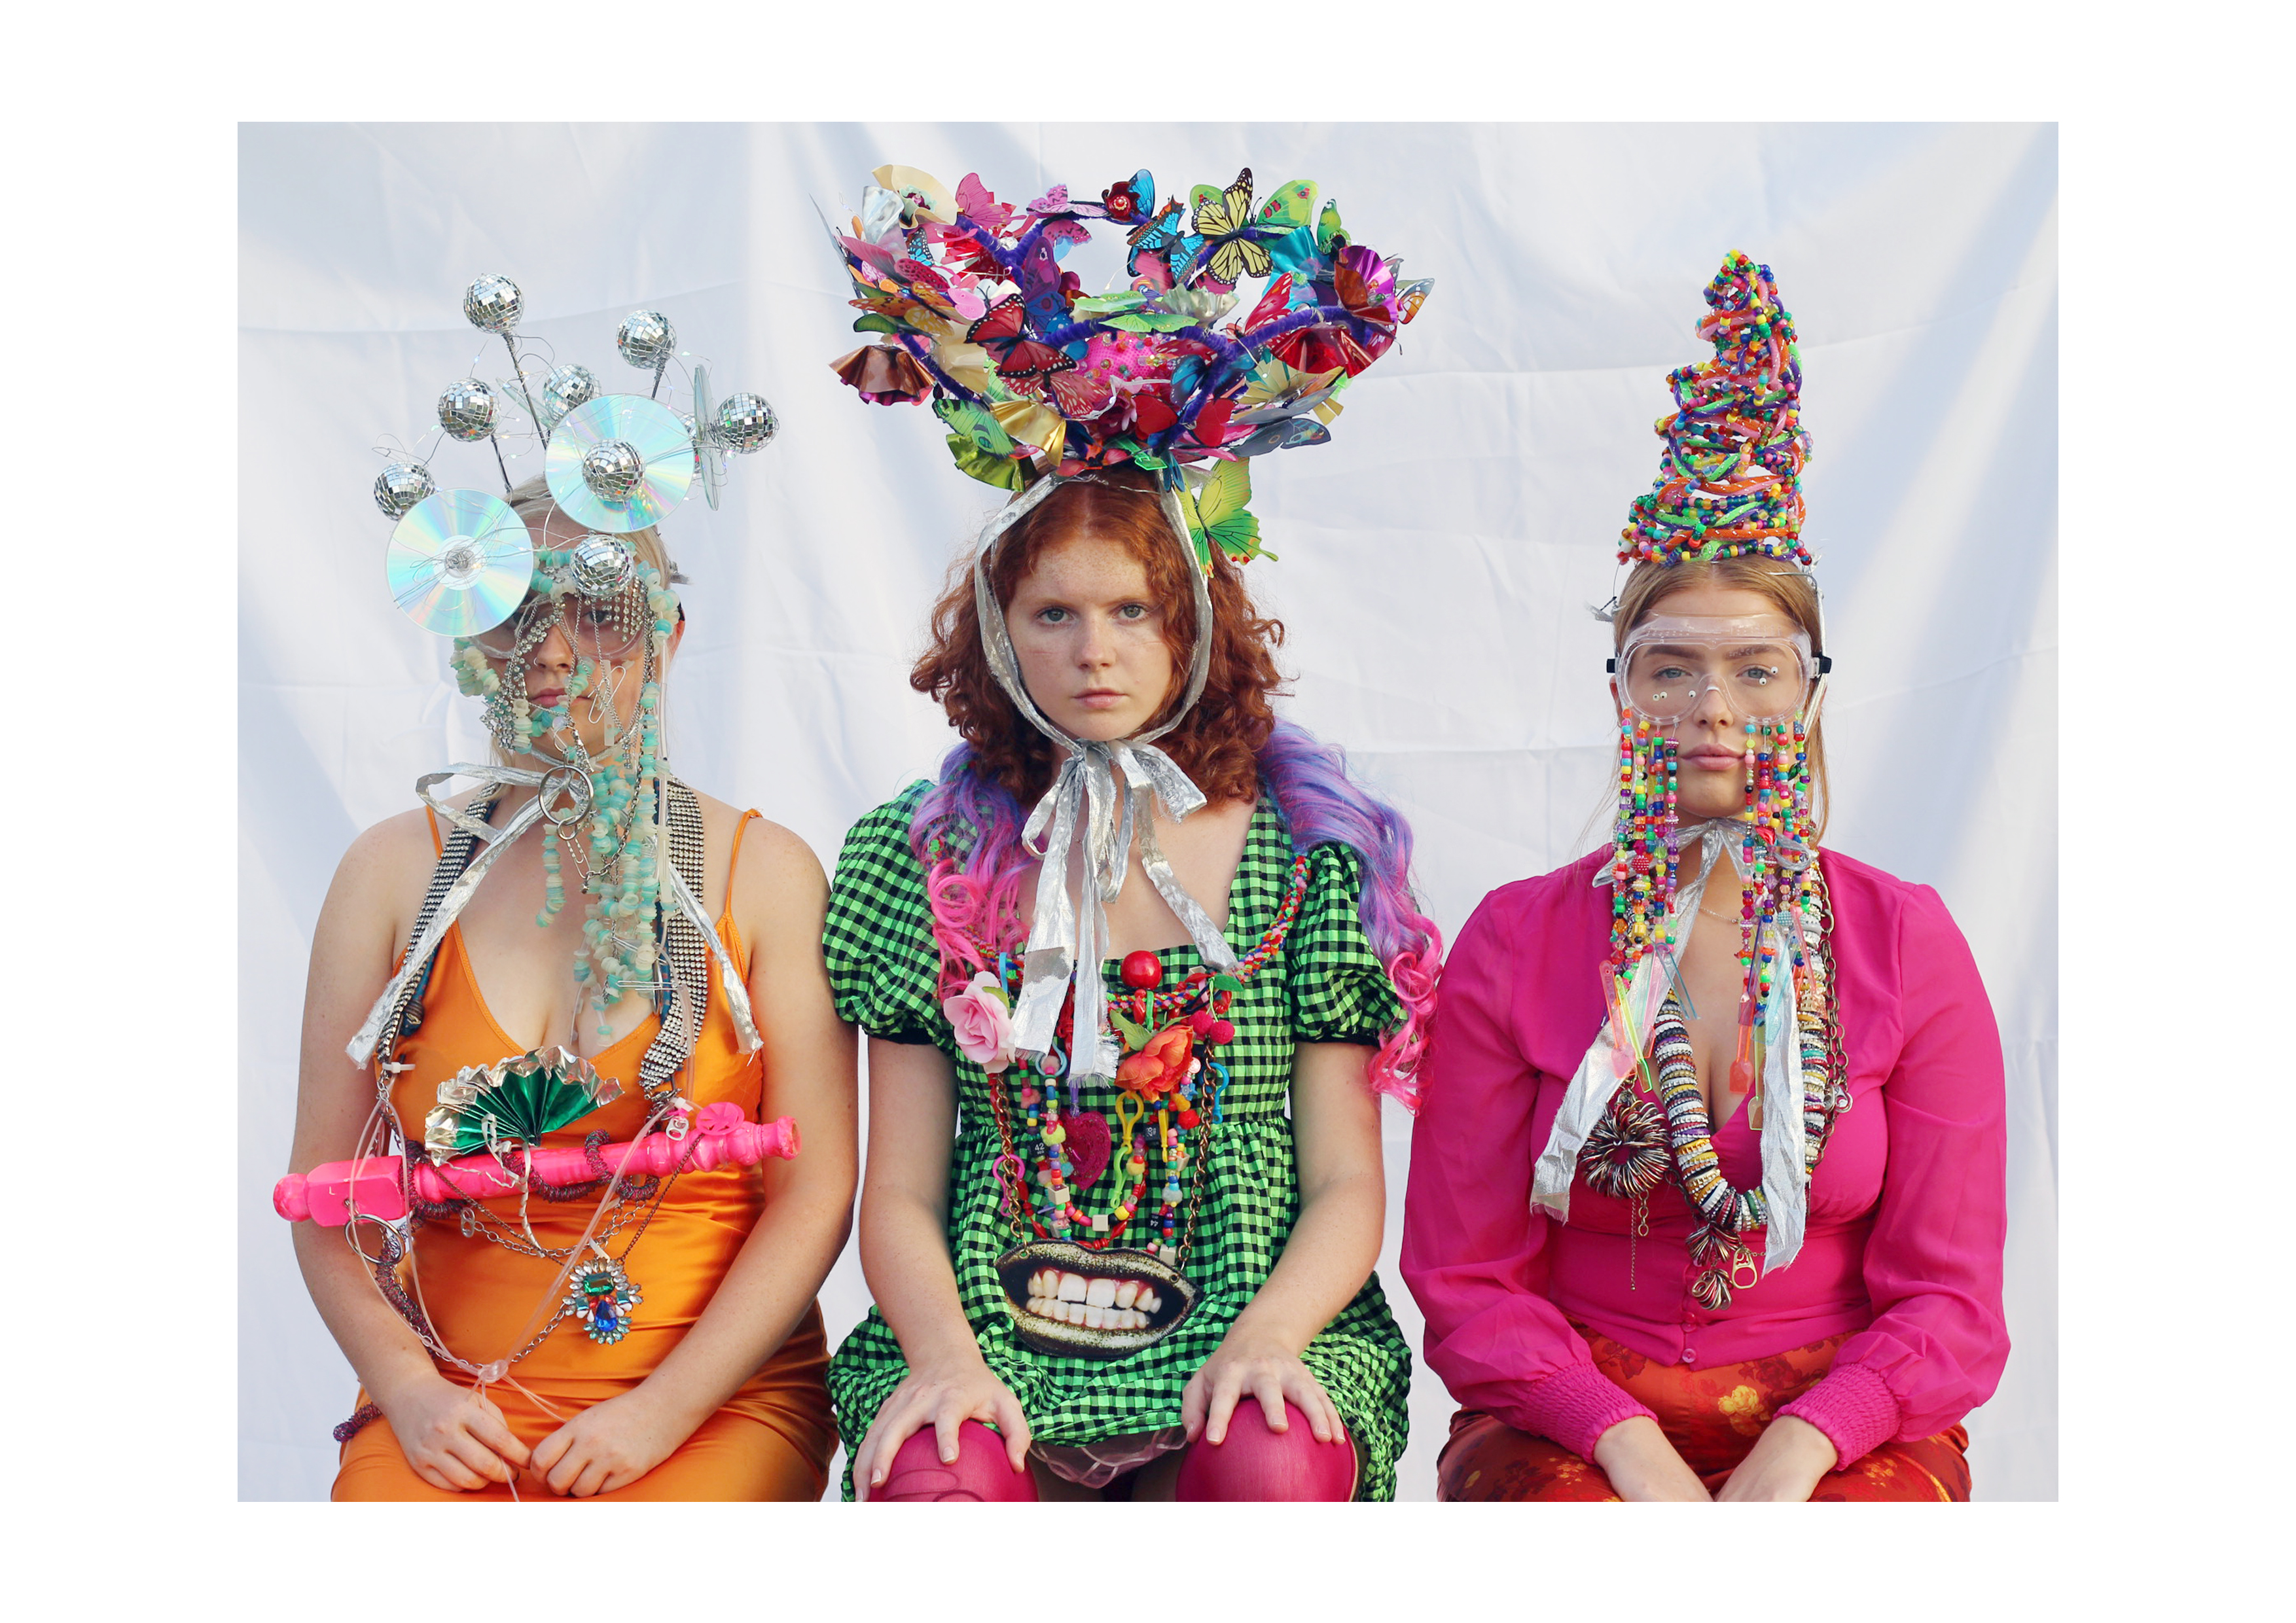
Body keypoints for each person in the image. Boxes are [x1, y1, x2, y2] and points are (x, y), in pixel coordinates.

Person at [817, 164, 1441, 1501]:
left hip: (1250, 1320)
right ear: (997, 633)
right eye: (1054, 615)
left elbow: (1344, 1179)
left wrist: (1273, 1337)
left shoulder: (1305, 857)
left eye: (1131, 613)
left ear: (1196, 622)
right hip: (988, 1334)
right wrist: (943, 1360)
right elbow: (901, 1189)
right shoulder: (917, 862)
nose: (1093, 652)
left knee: (1268, 1462)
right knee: (938, 1479)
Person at [1401, 252, 2009, 1502]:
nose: (1712, 709)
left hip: (1843, 1424)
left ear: (1810, 695)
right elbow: (1465, 1275)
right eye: (1670, 668)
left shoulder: (1905, 938)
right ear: (1621, 693)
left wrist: (1797, 1453)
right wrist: (1626, 1448)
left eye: (1756, 670)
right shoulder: (1515, 938)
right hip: (1572, 1416)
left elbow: (1951, 1299)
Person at [285, 283, 854, 1501]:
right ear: (471, 642)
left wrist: (659, 1415)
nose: (549, 654)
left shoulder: (764, 874)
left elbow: (817, 1195)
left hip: (710, 1402)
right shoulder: (391, 874)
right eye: (513, 616)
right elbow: (323, 1199)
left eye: (596, 616)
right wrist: (409, 1391)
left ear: (667, 637)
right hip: (451, 1404)